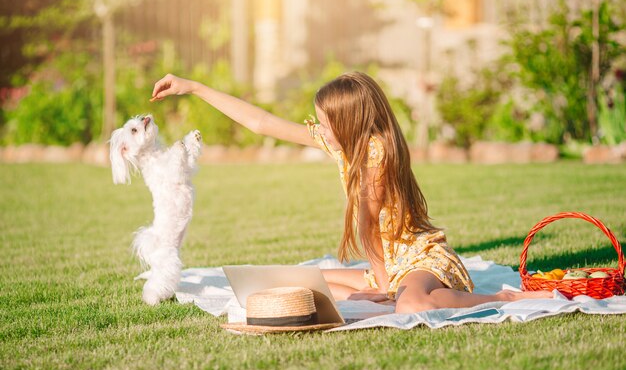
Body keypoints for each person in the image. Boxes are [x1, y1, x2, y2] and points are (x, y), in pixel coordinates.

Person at [151, 72, 552, 313]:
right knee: (278, 280)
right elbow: (261, 123)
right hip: (386, 264)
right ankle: (375, 290)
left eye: (325, 124)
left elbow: (370, 225)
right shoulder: (342, 143)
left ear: (349, 122)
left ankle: (503, 298)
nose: (318, 129)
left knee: (410, 304)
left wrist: (382, 284)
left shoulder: (376, 152)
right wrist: (194, 87)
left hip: (420, 260)